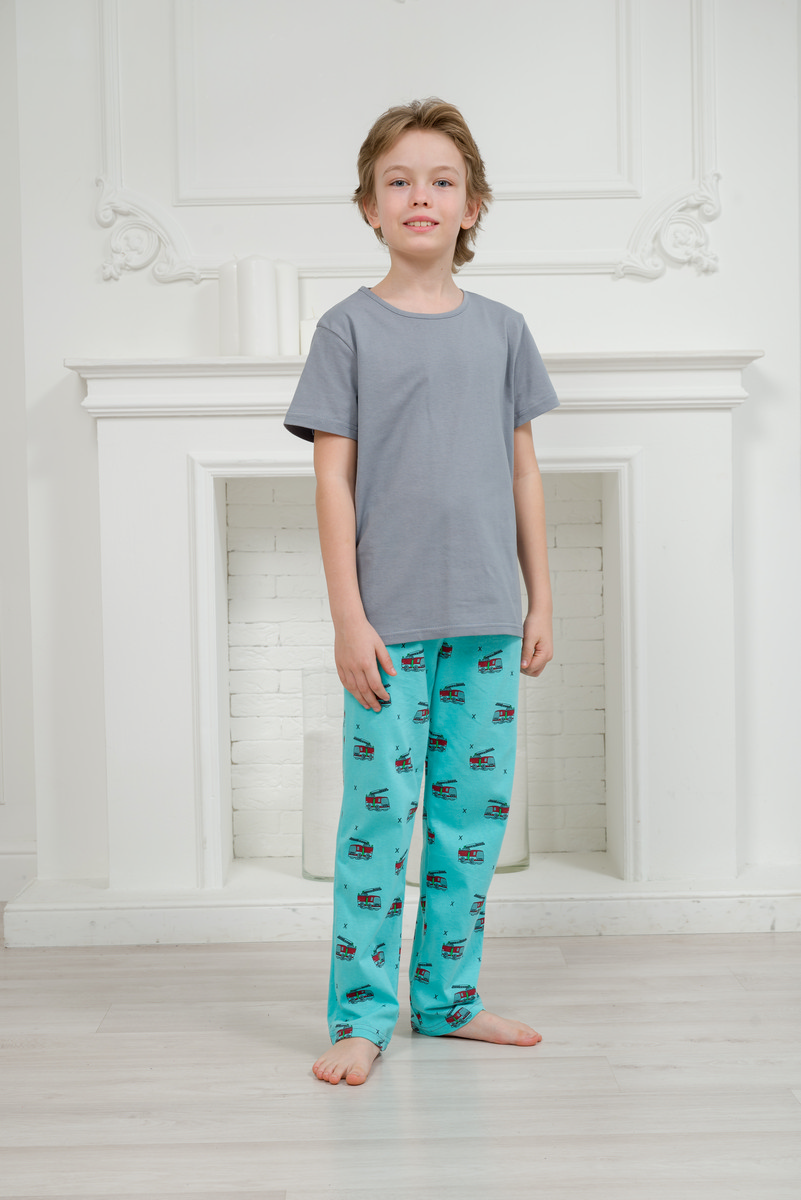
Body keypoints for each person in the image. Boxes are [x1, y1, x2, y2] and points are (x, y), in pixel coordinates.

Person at [284, 97, 559, 1085]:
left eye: (442, 180)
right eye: (398, 181)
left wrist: (541, 598)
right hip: (388, 628)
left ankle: (447, 1002)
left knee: (469, 822)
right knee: (378, 822)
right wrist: (347, 619)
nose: (420, 195)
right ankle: (361, 1016)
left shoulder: (504, 332)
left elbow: (523, 469)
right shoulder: (346, 330)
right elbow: (332, 480)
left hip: (487, 617)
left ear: (472, 206)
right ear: (369, 206)